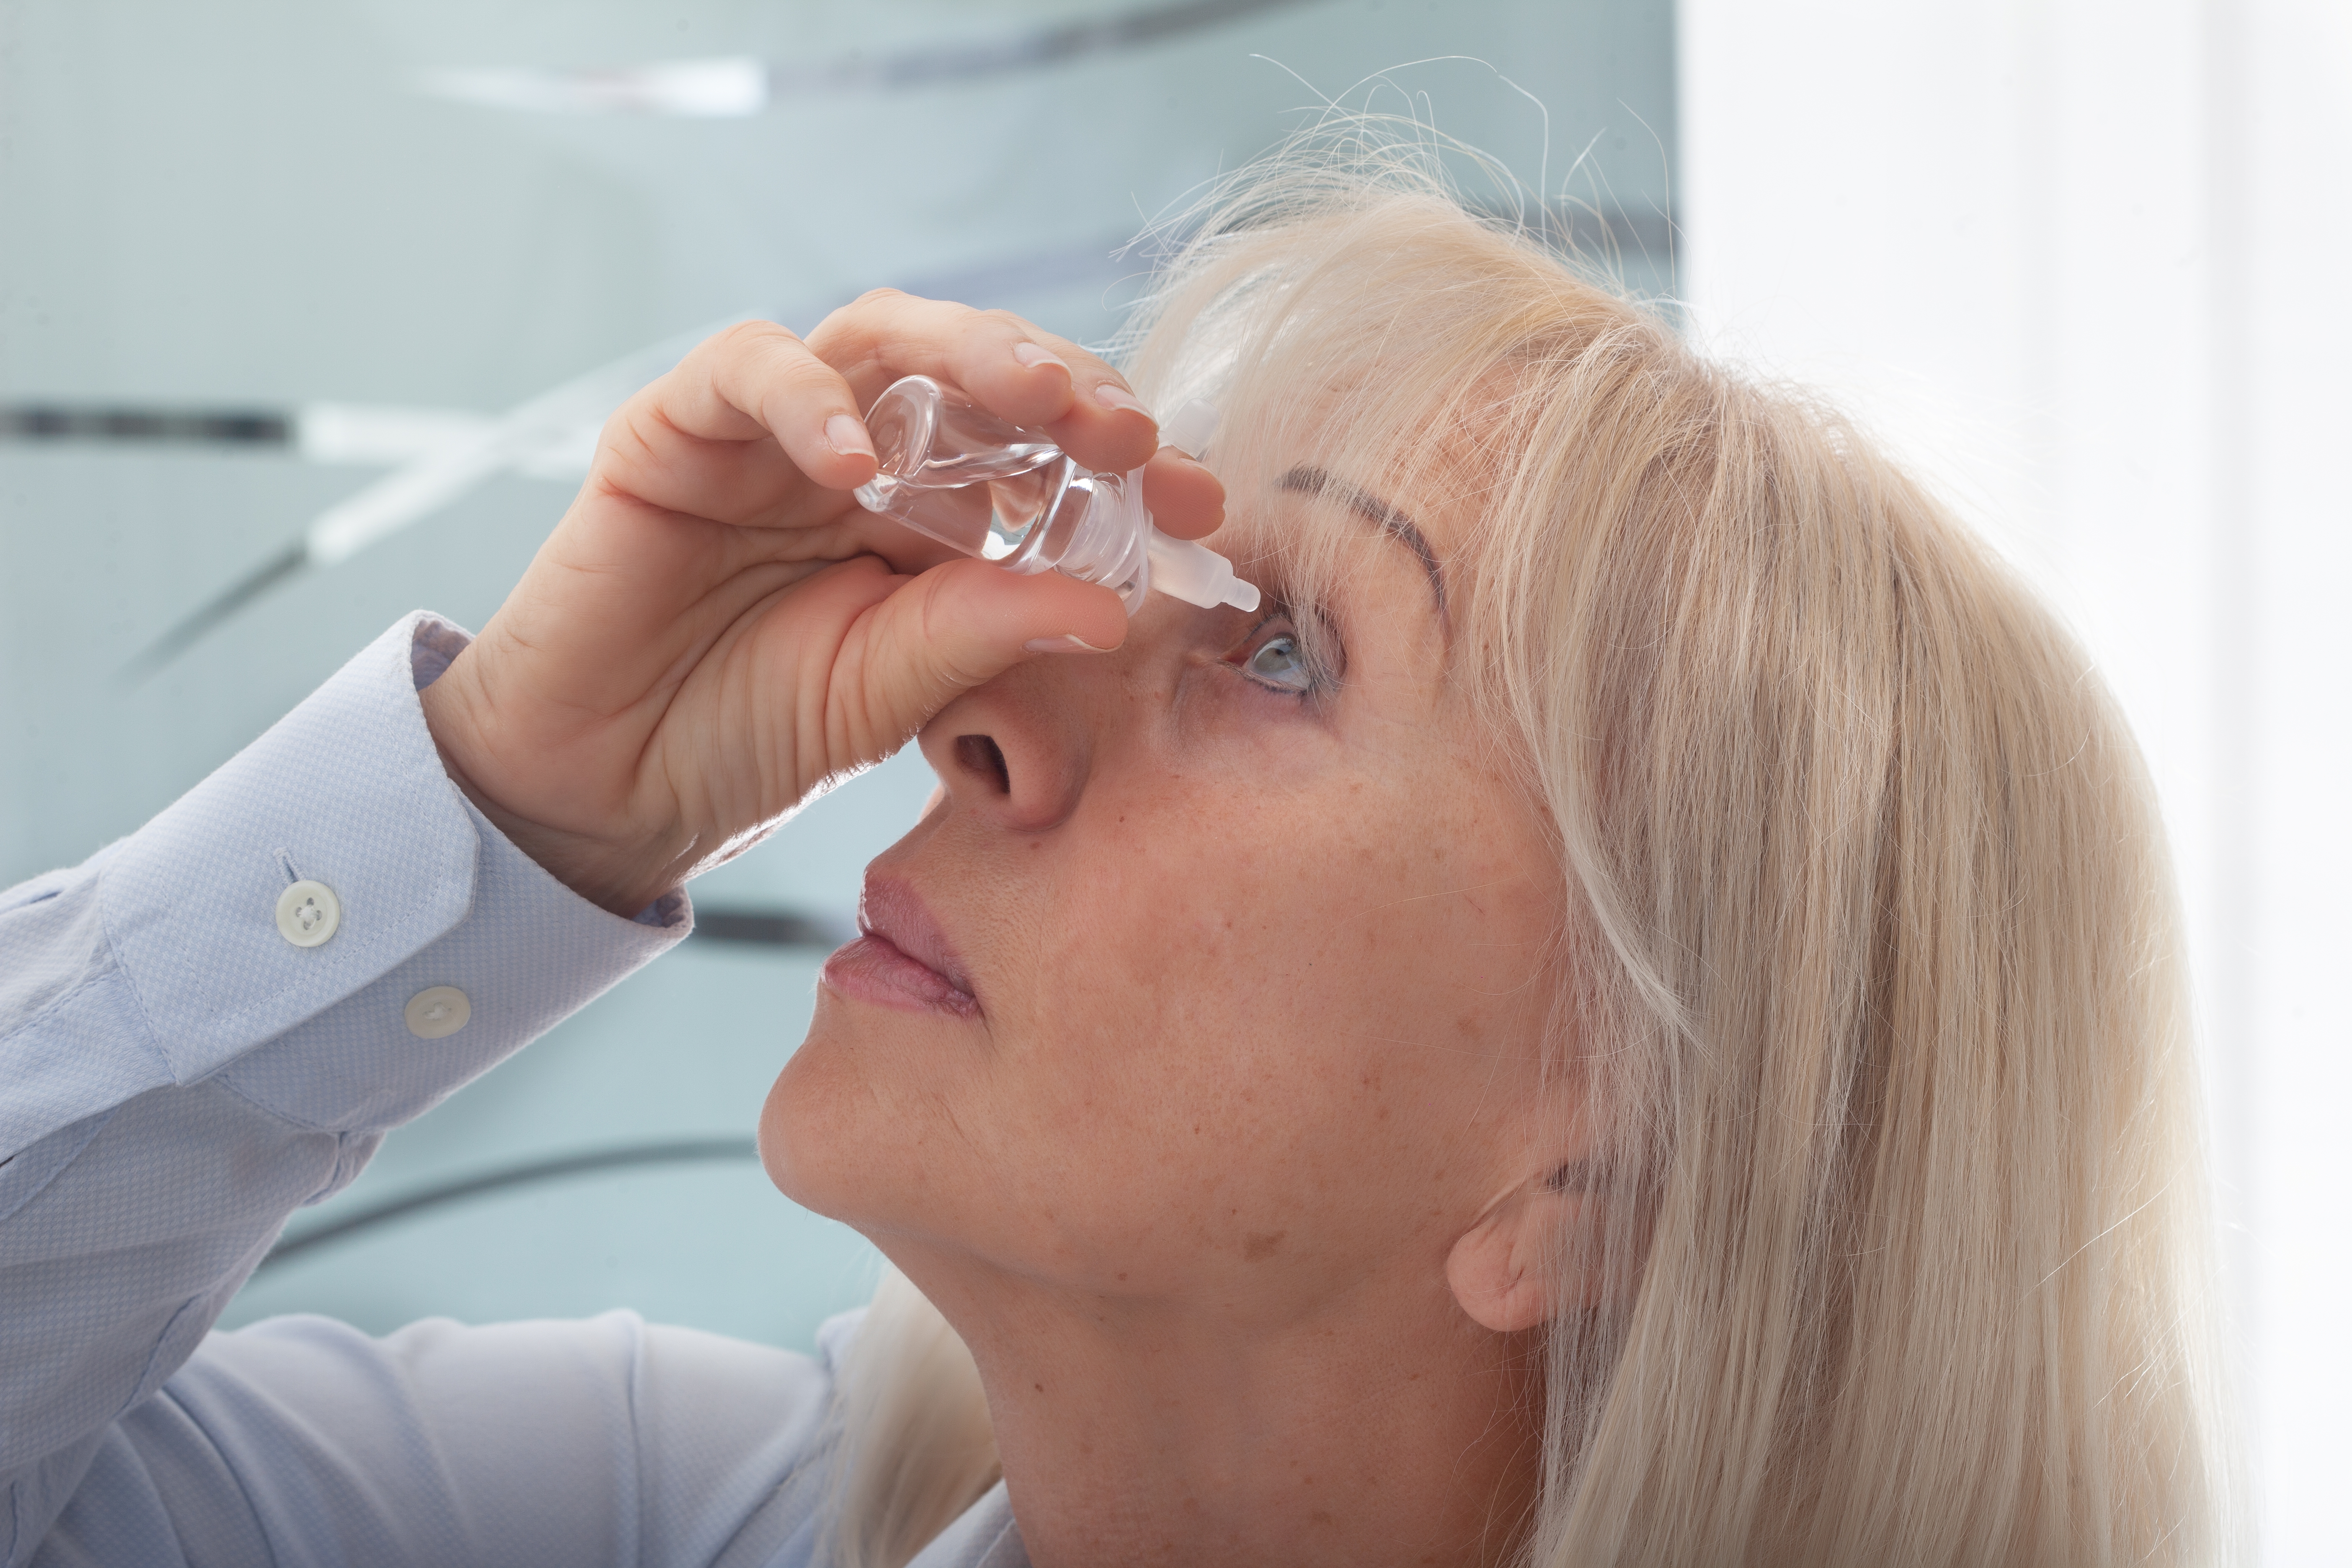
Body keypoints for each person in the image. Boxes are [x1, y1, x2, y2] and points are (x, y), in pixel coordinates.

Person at [0, 134, 2238, 1568]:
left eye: (1275, 659)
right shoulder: (669, 1511)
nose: (972, 715)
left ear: (1600, 1180)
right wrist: (506, 788)